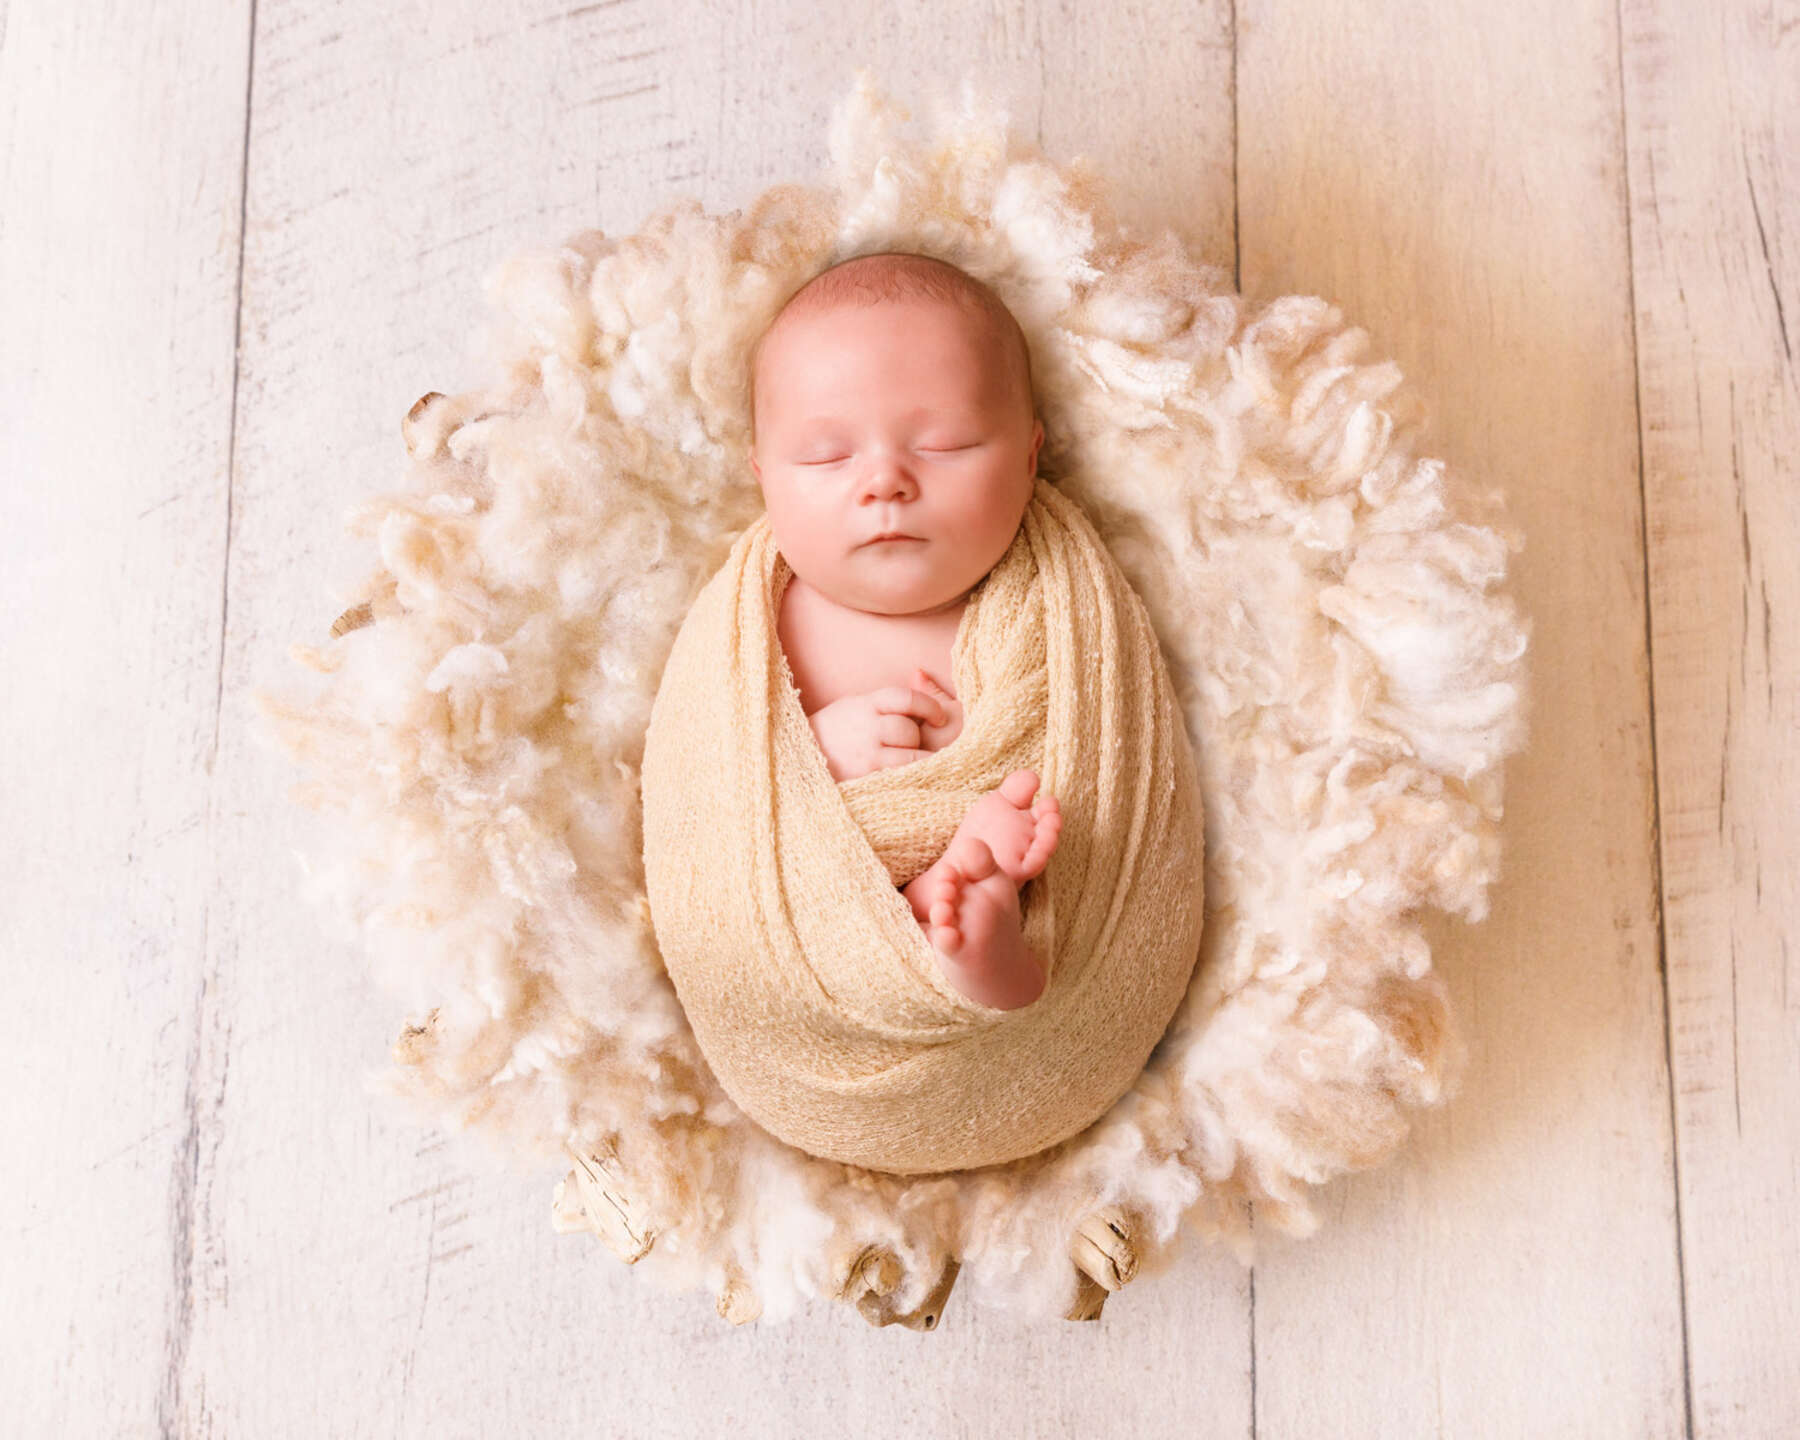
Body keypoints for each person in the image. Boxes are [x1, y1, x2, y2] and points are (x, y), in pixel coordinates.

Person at [748, 251, 1060, 1010]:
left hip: (1014, 881)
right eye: (828, 455)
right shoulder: (757, 622)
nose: (884, 480)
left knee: (1029, 859)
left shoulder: (1051, 606)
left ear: (1029, 459)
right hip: (814, 931)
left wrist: (986, 772)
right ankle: (956, 920)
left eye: (944, 444)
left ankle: (984, 941)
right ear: (763, 479)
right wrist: (814, 750)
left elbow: (1099, 745)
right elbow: (716, 778)